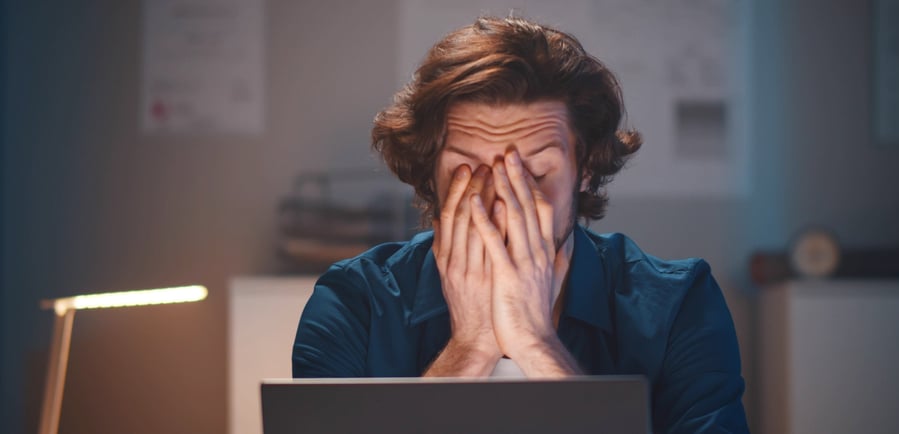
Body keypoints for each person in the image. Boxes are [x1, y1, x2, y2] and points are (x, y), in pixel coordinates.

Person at [292, 15, 749, 433]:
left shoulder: (678, 303)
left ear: (586, 169)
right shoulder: (355, 301)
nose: (502, 202)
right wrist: (469, 349)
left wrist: (538, 345)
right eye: (469, 170)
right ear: (430, 173)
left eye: (534, 173)